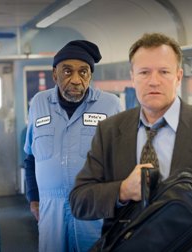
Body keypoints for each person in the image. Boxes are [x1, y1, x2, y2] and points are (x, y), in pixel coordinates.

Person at [69, 33, 192, 246]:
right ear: (132, 77)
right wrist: (123, 190)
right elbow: (80, 201)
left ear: (178, 77)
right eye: (144, 72)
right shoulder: (110, 131)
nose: (154, 81)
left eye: (164, 72)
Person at [23, 40, 122, 252]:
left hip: (93, 210)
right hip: (51, 210)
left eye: (83, 72)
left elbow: (120, 161)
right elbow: (31, 157)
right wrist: (34, 199)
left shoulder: (110, 104)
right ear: (54, 75)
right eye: (67, 71)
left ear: (91, 76)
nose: (76, 80)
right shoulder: (39, 104)